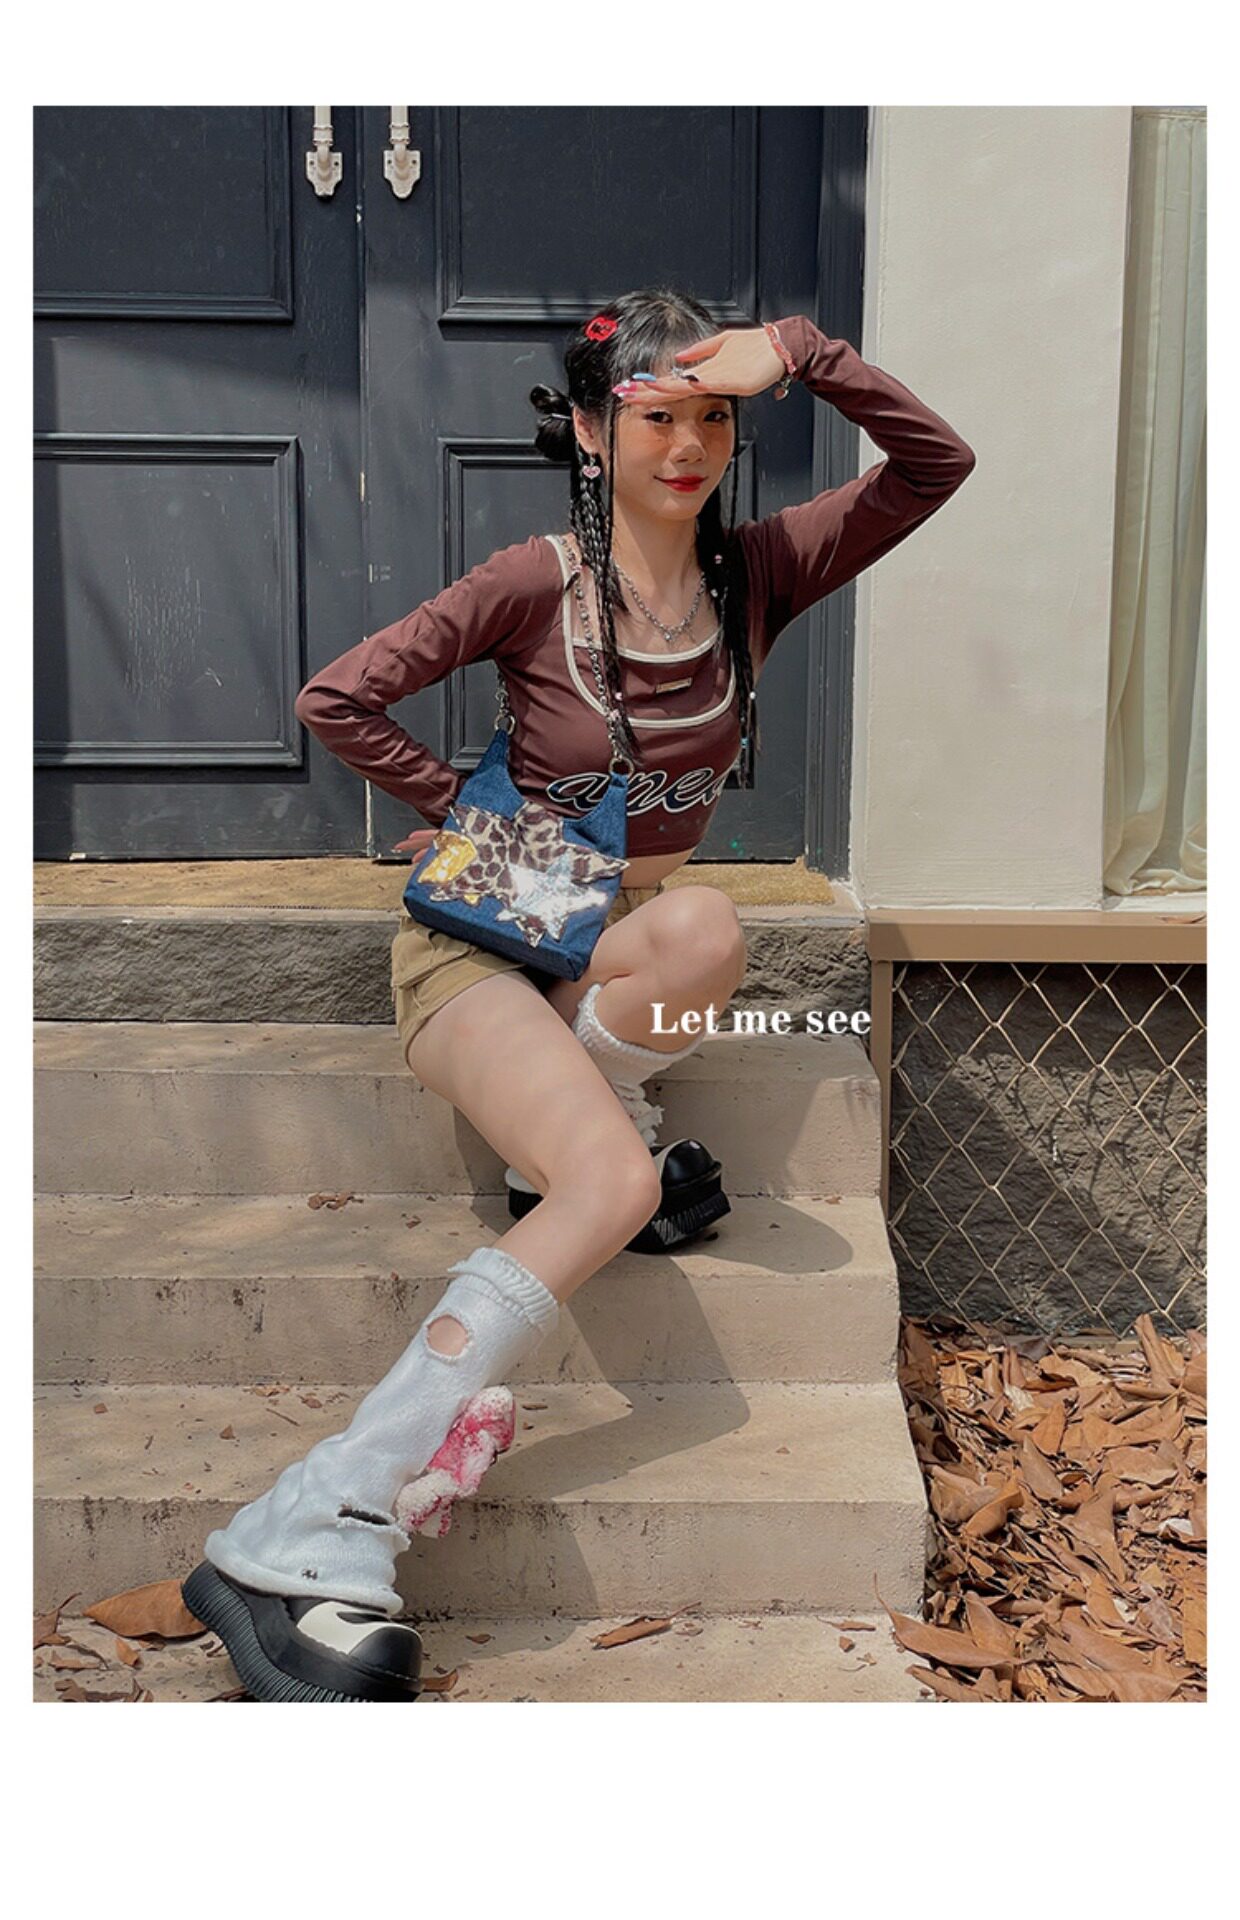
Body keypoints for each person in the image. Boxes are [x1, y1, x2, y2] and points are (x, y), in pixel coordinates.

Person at [180, 287, 975, 1701]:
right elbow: (336, 698)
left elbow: (935, 465)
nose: (691, 445)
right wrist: (468, 824)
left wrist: (809, 356)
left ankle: (583, 1106)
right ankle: (316, 1513)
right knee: (612, 1187)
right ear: (595, 431)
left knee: (707, 924)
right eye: (658, 415)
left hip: (614, 945)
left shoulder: (758, 574)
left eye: (715, 416)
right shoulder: (533, 581)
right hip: (490, 948)